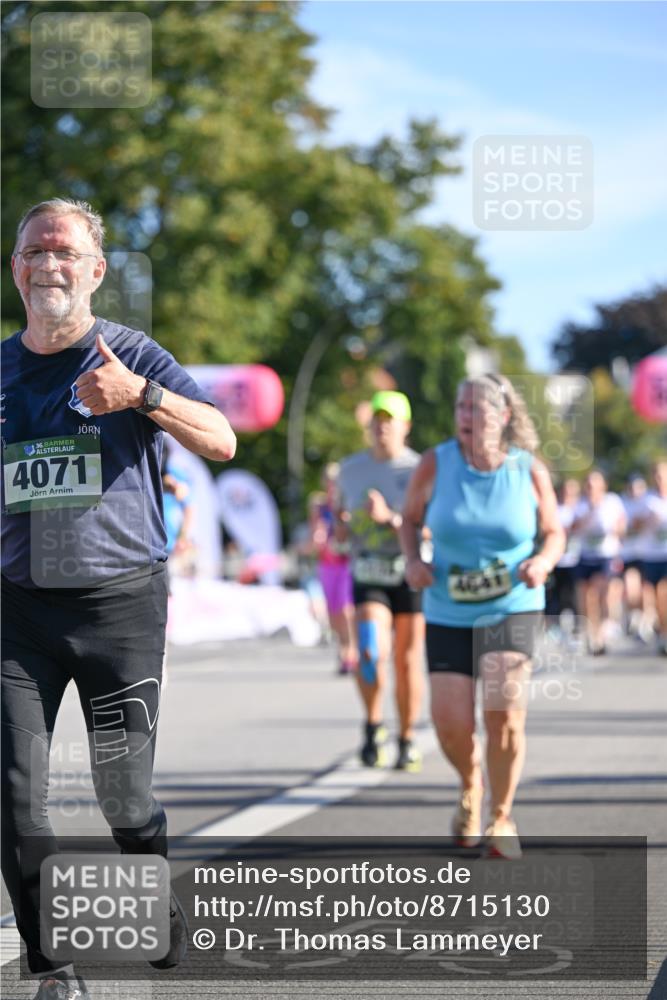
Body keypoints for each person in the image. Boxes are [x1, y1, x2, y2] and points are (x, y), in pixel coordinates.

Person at [1, 199, 236, 1000]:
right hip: (17, 612)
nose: (49, 264)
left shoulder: (131, 354)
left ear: (95, 271)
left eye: (65, 251)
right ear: (17, 269)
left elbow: (222, 437)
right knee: (15, 791)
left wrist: (141, 396)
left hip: (120, 608)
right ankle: (53, 968)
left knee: (122, 798)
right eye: (35, 250)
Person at [400, 373, 564, 858]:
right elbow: (409, 518)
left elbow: (554, 532)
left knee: (505, 715)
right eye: (461, 407)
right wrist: (413, 560)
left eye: (479, 408)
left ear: (505, 415)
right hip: (448, 608)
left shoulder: (528, 470)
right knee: (450, 722)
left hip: (512, 605)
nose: (467, 417)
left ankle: (501, 815)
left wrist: (543, 561)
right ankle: (470, 781)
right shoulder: (435, 462)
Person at [337, 391, 424, 771]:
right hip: (369, 570)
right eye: (376, 419)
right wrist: (340, 530)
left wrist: (390, 518)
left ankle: (407, 736)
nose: (382, 425)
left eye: (390, 419)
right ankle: (374, 725)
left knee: (406, 662)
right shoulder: (350, 470)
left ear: (405, 426)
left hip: (411, 570)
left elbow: (433, 529)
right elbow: (340, 518)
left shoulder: (420, 470)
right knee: (371, 651)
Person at [308, 464, 357, 675]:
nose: (332, 484)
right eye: (329, 480)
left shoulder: (349, 502)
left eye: (336, 480)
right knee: (333, 612)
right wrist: (317, 537)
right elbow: (315, 533)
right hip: (327, 563)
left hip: (347, 562)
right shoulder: (318, 505)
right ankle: (342, 647)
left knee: (347, 609)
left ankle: (351, 651)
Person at [570, 470, 626, 655]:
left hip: (606, 555)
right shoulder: (580, 504)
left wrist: (618, 531)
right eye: (588, 485)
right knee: (587, 598)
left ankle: (602, 632)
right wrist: (589, 513)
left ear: (603, 485)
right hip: (585, 555)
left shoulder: (612, 501)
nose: (591, 488)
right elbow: (573, 529)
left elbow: (621, 524)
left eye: (594, 484)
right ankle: (591, 634)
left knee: (602, 594)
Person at [639, 460, 667, 655]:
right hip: (651, 555)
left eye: (663, 475)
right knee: (657, 598)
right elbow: (633, 526)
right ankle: (663, 632)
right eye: (656, 476)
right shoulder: (647, 500)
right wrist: (647, 521)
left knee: (664, 592)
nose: (660, 480)